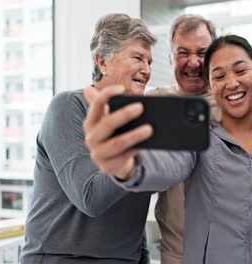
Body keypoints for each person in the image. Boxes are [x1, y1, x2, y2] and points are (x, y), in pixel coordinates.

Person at [83, 35, 252, 264]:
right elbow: (166, 167)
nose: (231, 83)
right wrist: (129, 166)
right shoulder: (198, 137)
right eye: (219, 76)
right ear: (210, 85)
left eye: (241, 71)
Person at [20, 13, 156, 264]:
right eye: (137, 58)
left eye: (149, 62)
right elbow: (90, 197)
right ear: (102, 62)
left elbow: (132, 211)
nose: (146, 70)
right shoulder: (69, 107)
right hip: (59, 258)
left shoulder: (138, 124)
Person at [145, 15, 219, 264]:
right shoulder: (153, 103)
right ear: (170, 58)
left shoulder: (234, 102)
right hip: (176, 254)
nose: (194, 62)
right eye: (183, 53)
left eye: (202, 52)